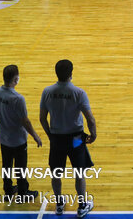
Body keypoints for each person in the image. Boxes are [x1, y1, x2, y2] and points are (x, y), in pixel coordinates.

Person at [40, 60, 97, 218]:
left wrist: (50, 135)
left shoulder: (47, 92)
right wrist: (93, 134)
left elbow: (42, 118)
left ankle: (59, 205)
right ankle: (82, 206)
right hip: (76, 138)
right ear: (71, 73)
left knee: (56, 173)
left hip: (56, 138)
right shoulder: (79, 93)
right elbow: (90, 119)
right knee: (80, 172)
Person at [0, 65, 42, 200]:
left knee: (6, 165)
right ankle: (23, 192)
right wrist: (36, 136)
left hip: (3, 137)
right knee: (20, 167)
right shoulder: (18, 99)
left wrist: (3, 123)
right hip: (18, 139)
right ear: (16, 79)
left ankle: (8, 190)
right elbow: (25, 121)